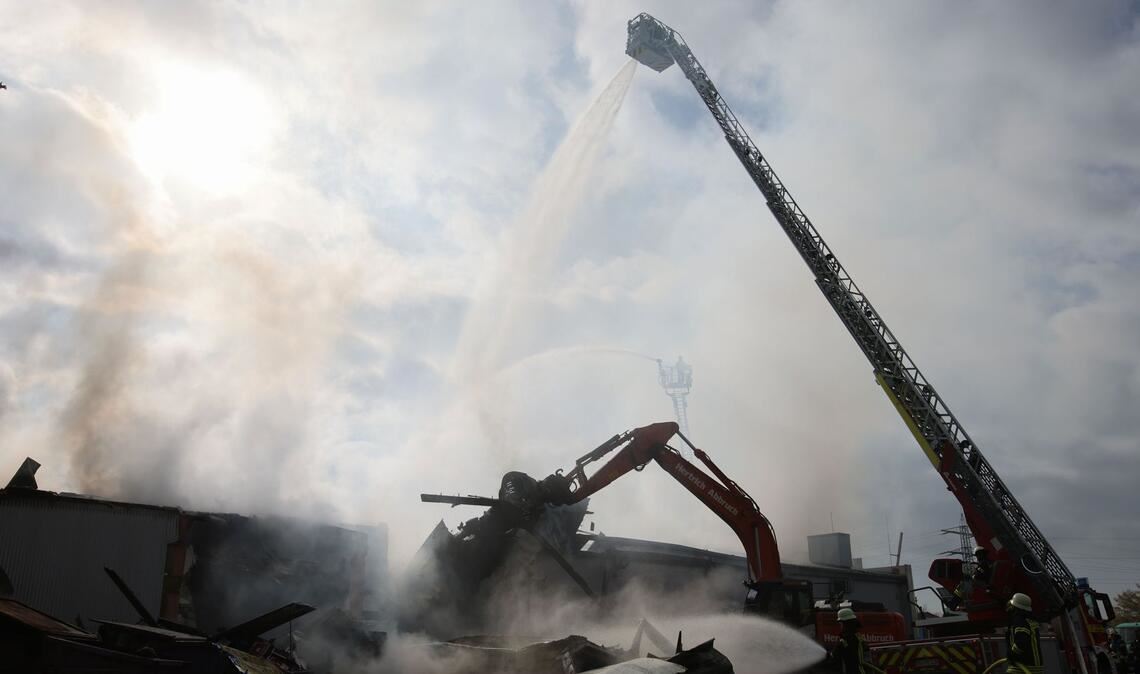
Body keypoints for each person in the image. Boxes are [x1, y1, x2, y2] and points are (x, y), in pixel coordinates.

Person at [1005, 593, 1043, 674]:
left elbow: (1021, 642)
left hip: (1023, 665)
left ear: (1016, 608)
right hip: (1035, 666)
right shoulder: (1030, 620)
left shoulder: (1020, 620)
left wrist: (1011, 654)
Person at [830, 608, 870, 674]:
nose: (840, 626)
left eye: (840, 624)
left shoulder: (844, 641)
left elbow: (834, 659)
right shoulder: (859, 638)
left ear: (845, 624)